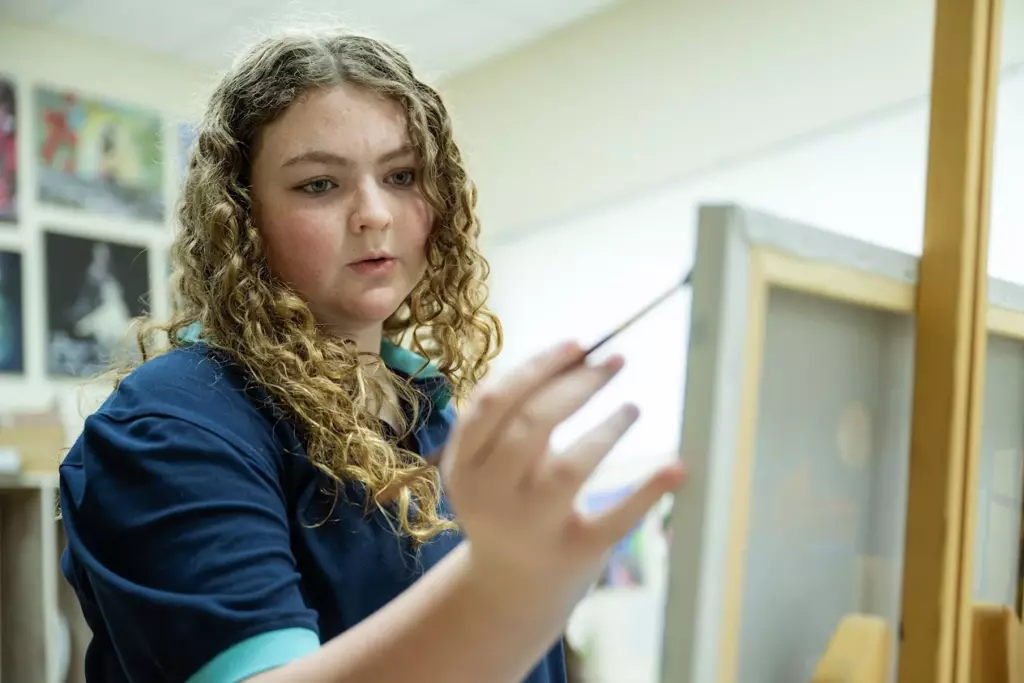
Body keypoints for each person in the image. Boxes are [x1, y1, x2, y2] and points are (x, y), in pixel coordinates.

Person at [58, 28, 686, 683]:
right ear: (241, 217)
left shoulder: (431, 415)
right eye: (320, 184)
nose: (374, 213)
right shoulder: (173, 423)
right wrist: (498, 586)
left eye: (402, 175)